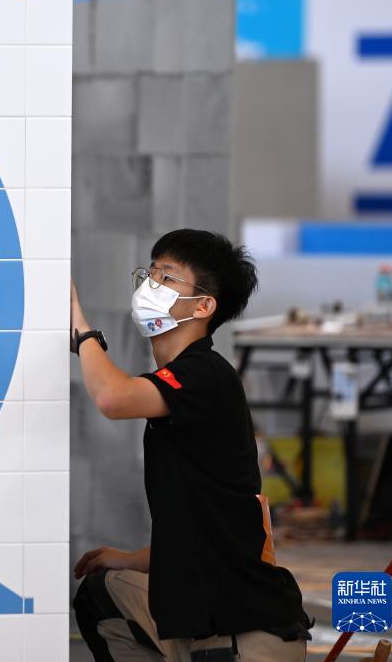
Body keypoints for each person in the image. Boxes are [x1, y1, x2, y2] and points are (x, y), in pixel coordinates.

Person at [69, 229, 313, 662]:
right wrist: (128, 559)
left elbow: (112, 397)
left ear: (203, 307)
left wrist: (83, 333)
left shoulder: (206, 374)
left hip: (243, 631)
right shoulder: (182, 386)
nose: (151, 285)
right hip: (198, 622)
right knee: (102, 592)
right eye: (150, 273)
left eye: (167, 277)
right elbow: (204, 538)